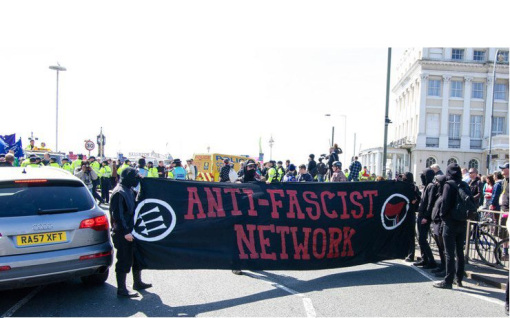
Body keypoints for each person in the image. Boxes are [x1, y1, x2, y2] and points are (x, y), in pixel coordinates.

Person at [110, 167, 151, 297]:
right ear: (127, 177)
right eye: (134, 177)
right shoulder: (119, 192)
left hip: (132, 231)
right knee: (124, 259)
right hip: (123, 233)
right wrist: (126, 232)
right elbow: (117, 215)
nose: (136, 180)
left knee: (136, 257)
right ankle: (121, 289)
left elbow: (137, 203)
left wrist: (143, 182)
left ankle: (137, 282)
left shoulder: (129, 190)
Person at [433, 163, 469, 289]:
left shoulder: (449, 185)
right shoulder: (464, 184)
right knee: (460, 252)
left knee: (449, 252)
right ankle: (458, 279)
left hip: (450, 222)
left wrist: (443, 217)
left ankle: (448, 280)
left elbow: (445, 203)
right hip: (462, 221)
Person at [414, 168, 437, 269]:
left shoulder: (431, 186)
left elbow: (431, 203)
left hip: (424, 217)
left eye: (423, 176)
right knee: (420, 238)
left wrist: (426, 217)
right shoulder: (426, 186)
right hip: (421, 215)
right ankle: (424, 259)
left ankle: (431, 261)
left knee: (423, 239)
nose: (421, 178)